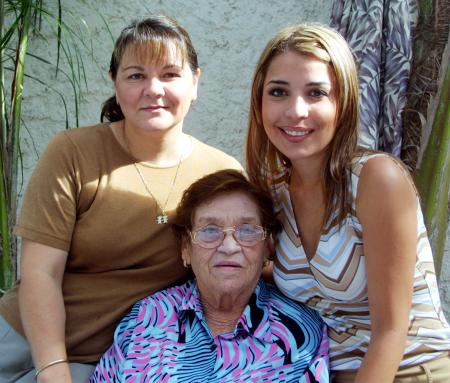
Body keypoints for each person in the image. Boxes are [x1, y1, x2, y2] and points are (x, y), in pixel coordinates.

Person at [0, 15, 242, 383]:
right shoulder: (73, 152)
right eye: (136, 75)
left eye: (170, 74)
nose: (153, 89)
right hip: (23, 340)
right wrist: (52, 371)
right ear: (114, 83)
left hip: (118, 361)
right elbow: (40, 272)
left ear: (196, 82)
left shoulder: (221, 174)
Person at [246, 23, 450, 382]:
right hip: (329, 372)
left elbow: (391, 328)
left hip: (411, 368)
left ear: (343, 102)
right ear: (259, 101)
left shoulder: (376, 180)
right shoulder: (273, 192)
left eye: (316, 93)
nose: (295, 111)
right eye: (278, 92)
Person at [89, 169, 329, 382]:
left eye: (246, 230)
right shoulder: (147, 318)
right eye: (210, 230)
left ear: (268, 245)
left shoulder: (300, 332)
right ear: (186, 247)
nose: (229, 247)